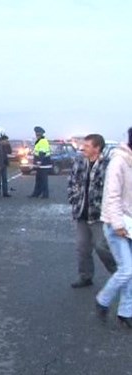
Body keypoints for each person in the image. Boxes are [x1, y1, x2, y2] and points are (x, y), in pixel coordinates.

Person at [67, 134, 116, 288]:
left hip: (99, 214)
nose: (83, 148)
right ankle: (85, 276)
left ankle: (119, 274)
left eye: (87, 146)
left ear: (97, 148)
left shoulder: (108, 165)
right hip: (81, 212)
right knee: (82, 247)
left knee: (101, 246)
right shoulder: (79, 161)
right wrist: (74, 198)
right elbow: (71, 181)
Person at [96, 128, 132, 328]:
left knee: (130, 271)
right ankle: (103, 300)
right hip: (116, 224)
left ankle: (126, 312)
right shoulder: (119, 162)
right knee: (127, 270)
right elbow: (112, 196)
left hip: (130, 224)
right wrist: (118, 224)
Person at [29, 126, 52, 199]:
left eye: (37, 134)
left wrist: (39, 162)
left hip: (43, 164)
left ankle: (45, 194)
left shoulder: (43, 141)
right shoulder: (39, 141)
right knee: (38, 179)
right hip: (40, 164)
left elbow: (42, 152)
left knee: (43, 180)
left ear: (40, 134)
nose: (36, 135)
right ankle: (36, 193)